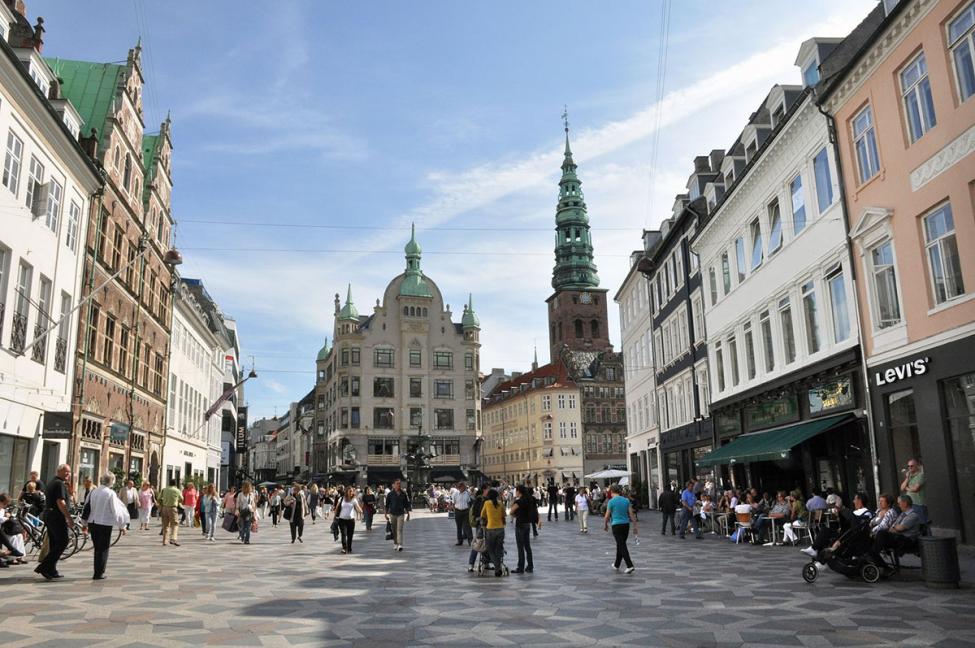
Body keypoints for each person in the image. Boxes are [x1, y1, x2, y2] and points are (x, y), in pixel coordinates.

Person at [82, 473, 130, 580]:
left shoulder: (93, 491)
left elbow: (86, 507)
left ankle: (97, 571)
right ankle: (99, 573)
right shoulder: (110, 493)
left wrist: (84, 523)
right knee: (103, 548)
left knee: (97, 548)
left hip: (93, 523)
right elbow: (116, 510)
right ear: (111, 481)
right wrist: (122, 525)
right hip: (104, 523)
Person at [36, 464, 73, 579]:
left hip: (50, 515)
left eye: (69, 472)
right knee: (63, 541)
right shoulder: (59, 483)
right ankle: (44, 566)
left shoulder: (53, 482)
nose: (68, 474)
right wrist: (69, 517)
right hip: (56, 516)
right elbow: (60, 502)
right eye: (66, 472)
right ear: (59, 471)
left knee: (54, 543)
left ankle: (51, 570)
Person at [869, 495, 921, 571]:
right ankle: (874, 555)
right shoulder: (902, 515)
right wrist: (896, 527)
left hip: (906, 540)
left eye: (899, 503)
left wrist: (896, 528)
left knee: (881, 533)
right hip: (898, 538)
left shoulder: (913, 515)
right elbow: (891, 528)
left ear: (905, 503)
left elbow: (900, 528)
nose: (898, 505)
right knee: (879, 535)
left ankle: (874, 555)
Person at [604, 484, 636, 574]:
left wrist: (605, 525)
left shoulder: (611, 501)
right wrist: (635, 526)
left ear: (611, 491)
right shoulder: (626, 500)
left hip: (616, 525)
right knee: (620, 544)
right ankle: (617, 564)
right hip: (626, 525)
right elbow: (631, 514)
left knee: (621, 545)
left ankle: (629, 565)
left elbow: (606, 516)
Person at [508, 484, 539, 573]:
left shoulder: (519, 501)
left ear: (518, 491)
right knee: (527, 546)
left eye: (516, 491)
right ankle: (530, 566)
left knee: (520, 547)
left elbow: (511, 511)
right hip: (527, 524)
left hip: (520, 524)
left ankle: (520, 567)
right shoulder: (529, 500)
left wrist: (515, 514)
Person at [480, 488, 506, 577]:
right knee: (498, 549)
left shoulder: (487, 503)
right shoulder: (500, 503)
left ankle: (497, 568)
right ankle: (498, 567)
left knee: (490, 549)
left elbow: (482, 515)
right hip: (500, 529)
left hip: (490, 529)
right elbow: (504, 515)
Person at [384, 478, 411, 552]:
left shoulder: (403, 493)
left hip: (401, 514)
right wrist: (385, 514)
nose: (399, 485)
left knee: (399, 529)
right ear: (393, 485)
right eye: (397, 484)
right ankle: (395, 543)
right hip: (392, 514)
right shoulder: (390, 494)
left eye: (399, 483)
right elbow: (387, 505)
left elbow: (406, 504)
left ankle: (400, 544)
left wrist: (408, 514)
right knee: (394, 530)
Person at [0, 493, 27, 567]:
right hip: (3, 531)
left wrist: (8, 515)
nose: (5, 506)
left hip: (3, 529)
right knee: (13, 537)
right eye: (4, 504)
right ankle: (12, 557)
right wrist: (7, 518)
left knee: (19, 536)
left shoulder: (3, 509)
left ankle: (20, 556)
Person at [335, 486, 362, 554]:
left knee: (350, 535)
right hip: (342, 519)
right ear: (346, 492)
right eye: (349, 491)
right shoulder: (341, 499)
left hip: (351, 520)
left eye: (352, 491)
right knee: (343, 534)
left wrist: (360, 511)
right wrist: (335, 517)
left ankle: (349, 548)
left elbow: (358, 507)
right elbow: (337, 508)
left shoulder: (354, 500)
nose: (351, 492)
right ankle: (344, 548)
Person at [899, 459, 926, 524]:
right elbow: (902, 488)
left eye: (912, 466)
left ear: (917, 466)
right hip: (910, 504)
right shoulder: (909, 476)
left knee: (922, 523)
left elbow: (915, 489)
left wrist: (907, 488)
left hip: (918, 503)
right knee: (912, 523)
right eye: (908, 466)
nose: (910, 468)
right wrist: (907, 478)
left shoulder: (921, 475)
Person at [158, 479, 183, 547]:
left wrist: (162, 503)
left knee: (165, 525)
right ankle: (173, 538)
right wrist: (177, 501)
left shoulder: (164, 490)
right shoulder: (177, 490)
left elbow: (159, 498)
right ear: (175, 484)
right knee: (175, 524)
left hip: (164, 508)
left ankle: (165, 541)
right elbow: (181, 499)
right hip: (172, 508)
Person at [451, 482, 472, 546]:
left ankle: (470, 541)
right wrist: (455, 511)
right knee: (459, 527)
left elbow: (468, 503)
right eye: (463, 487)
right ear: (459, 487)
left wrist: (469, 511)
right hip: (458, 511)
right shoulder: (455, 494)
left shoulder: (467, 493)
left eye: (465, 487)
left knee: (467, 526)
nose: (465, 488)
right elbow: (453, 503)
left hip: (465, 511)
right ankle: (460, 541)